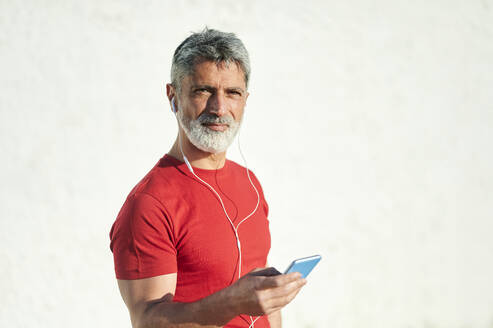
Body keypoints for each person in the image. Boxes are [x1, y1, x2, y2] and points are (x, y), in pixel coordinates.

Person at [109, 28, 306, 328]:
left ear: (245, 100)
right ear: (172, 95)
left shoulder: (250, 183)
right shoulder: (149, 203)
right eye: (203, 91)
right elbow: (146, 321)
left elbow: (267, 307)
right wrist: (234, 303)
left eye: (233, 93)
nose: (219, 108)